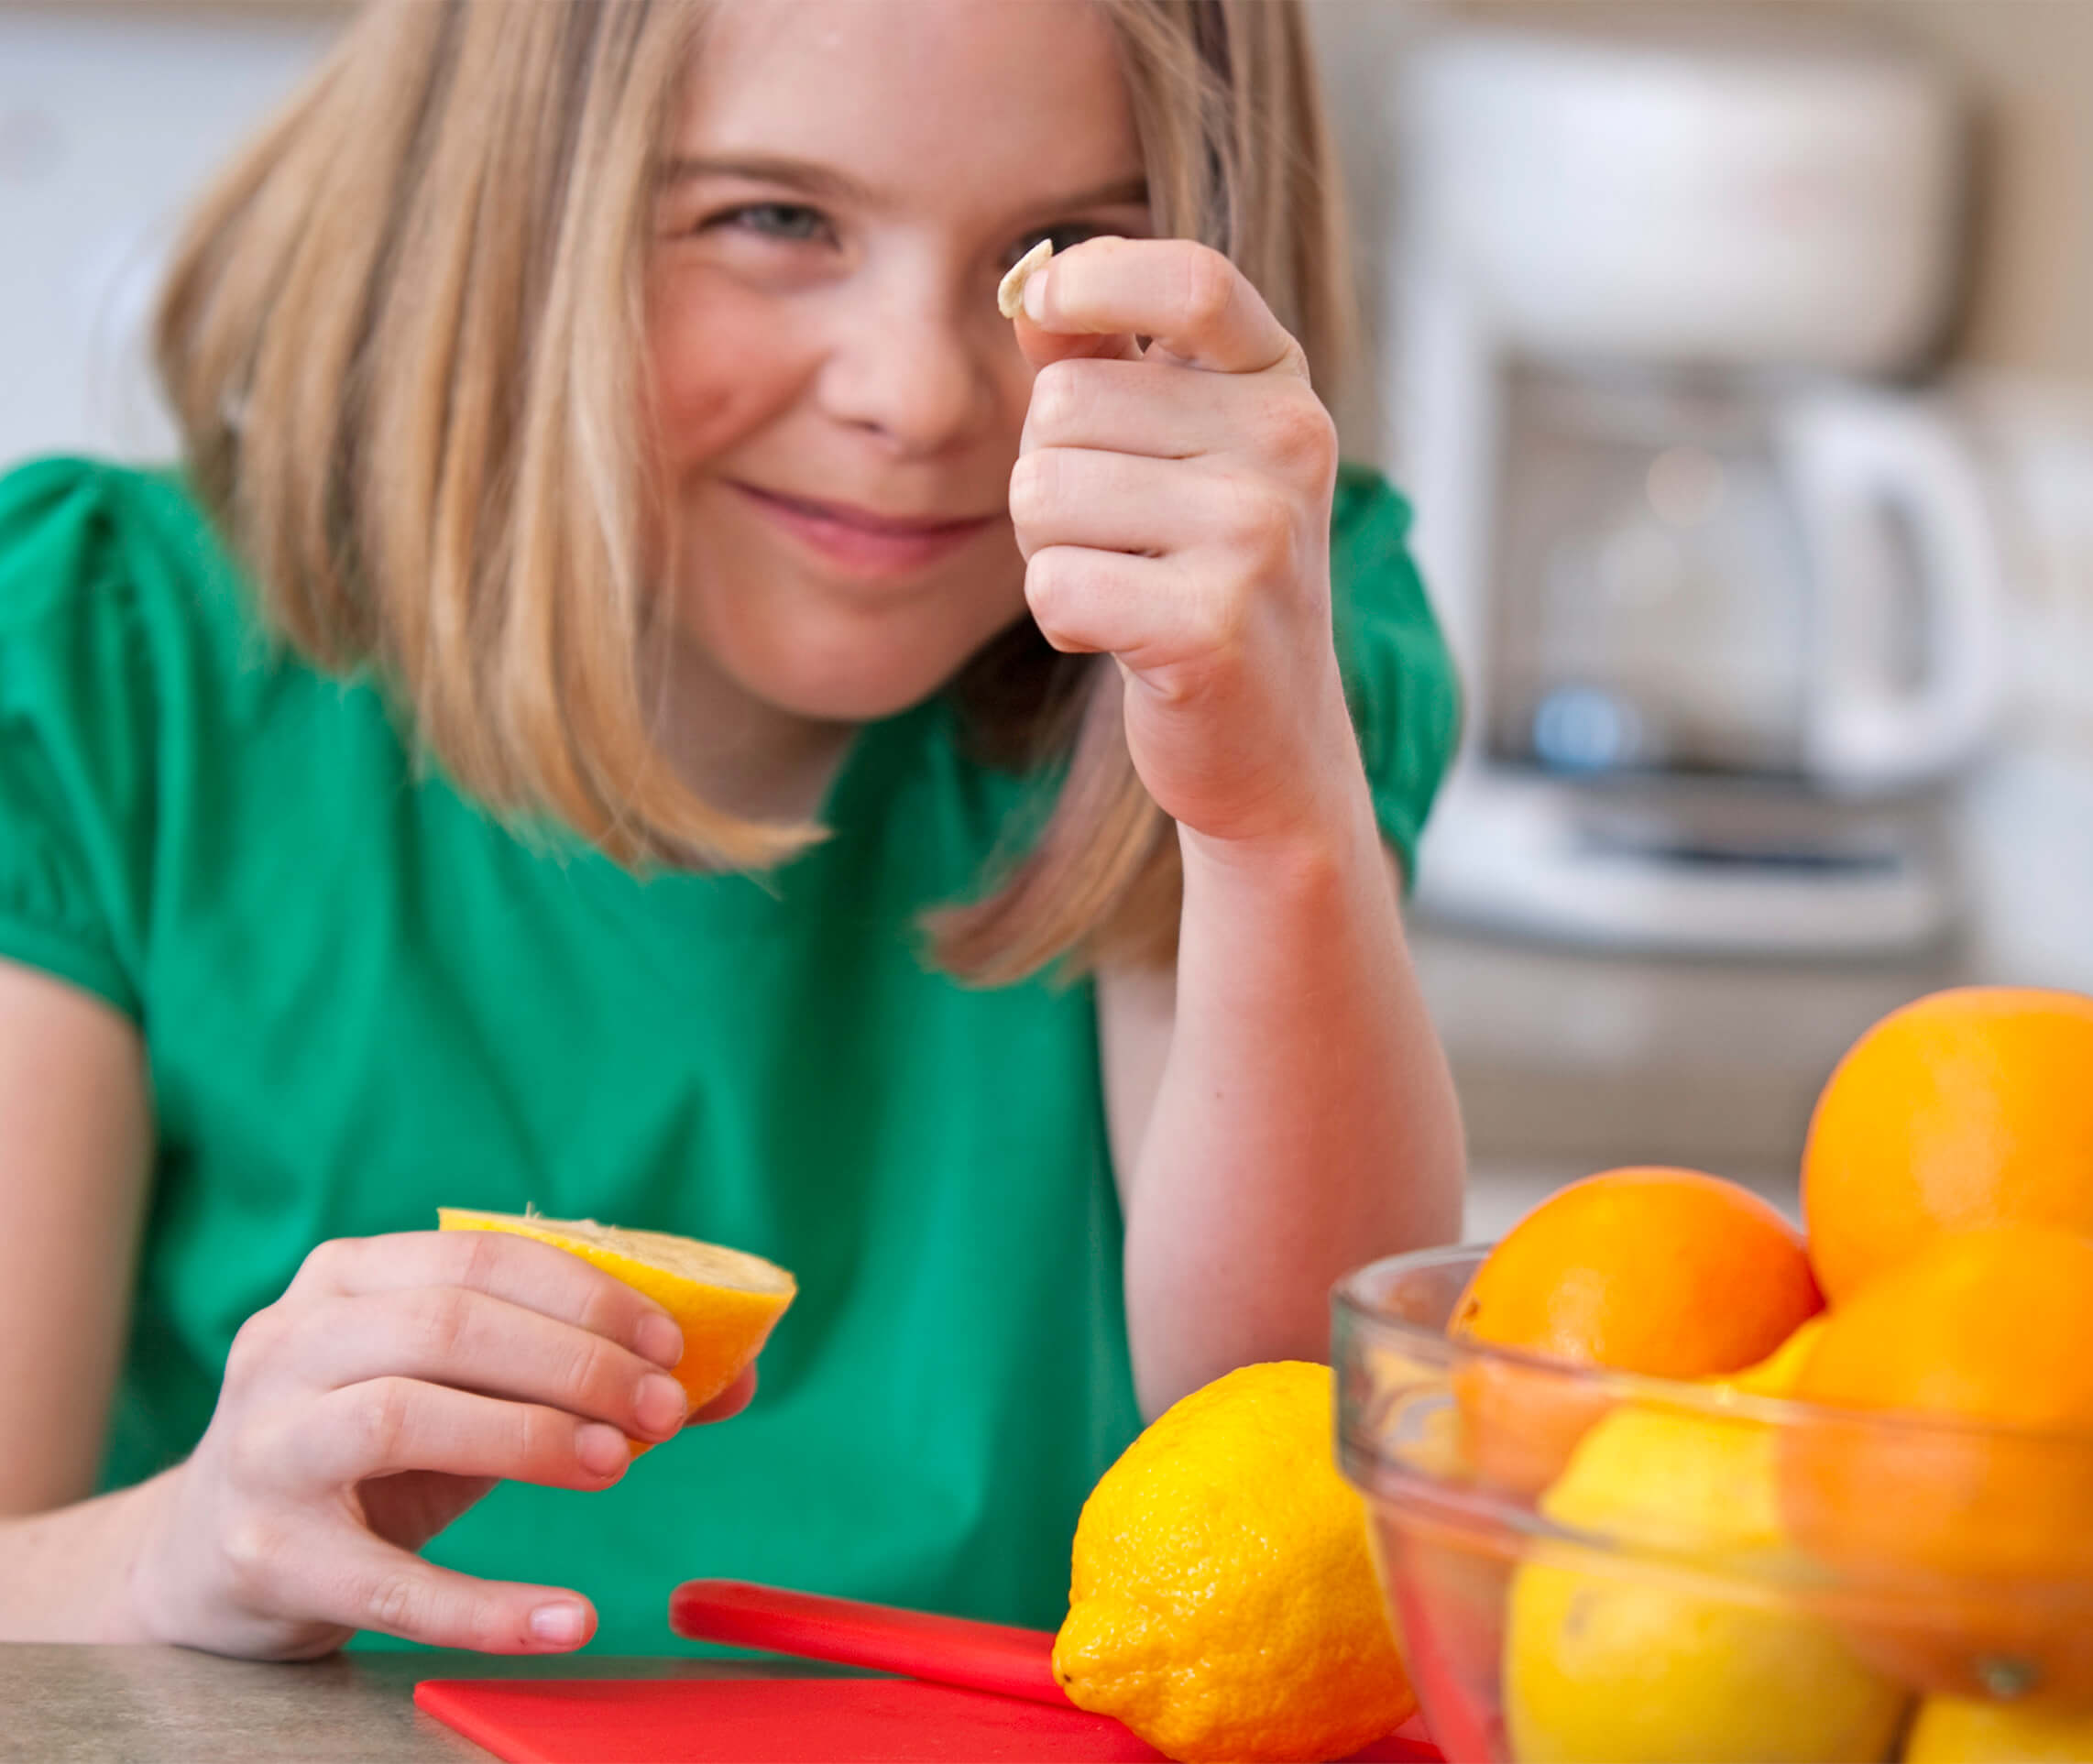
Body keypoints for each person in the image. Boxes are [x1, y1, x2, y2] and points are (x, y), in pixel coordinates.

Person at [0, 0, 1463, 1660]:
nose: (916, 396)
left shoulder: (1231, 651)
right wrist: (176, 1562)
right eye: (773, 220)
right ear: (492, 207)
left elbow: (1307, 1478)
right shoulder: (103, 673)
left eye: (1062, 249)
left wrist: (1271, 824)